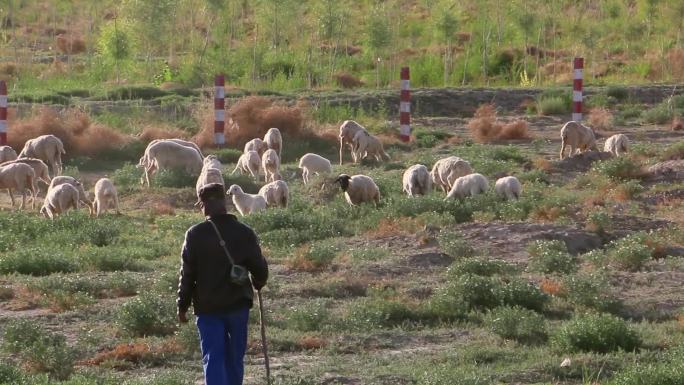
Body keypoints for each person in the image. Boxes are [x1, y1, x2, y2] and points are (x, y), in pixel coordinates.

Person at [177, 183, 269, 385]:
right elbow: (259, 267)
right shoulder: (244, 231)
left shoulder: (194, 234)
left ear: (204, 205)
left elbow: (187, 273)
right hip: (238, 305)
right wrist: (259, 282)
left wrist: (182, 305)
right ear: (224, 203)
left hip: (207, 307)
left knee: (213, 357)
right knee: (235, 357)